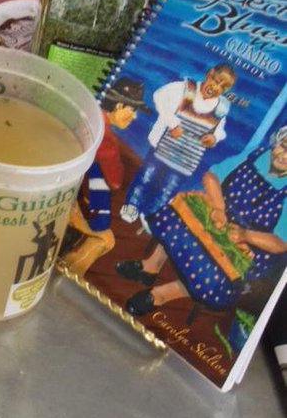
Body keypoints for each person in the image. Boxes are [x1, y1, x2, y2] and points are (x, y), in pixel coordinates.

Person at [118, 126, 287, 318]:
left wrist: (244, 235)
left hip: (249, 243)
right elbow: (212, 175)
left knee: (213, 277)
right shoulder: (256, 154)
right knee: (183, 213)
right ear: (277, 141)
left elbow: (280, 243)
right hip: (219, 209)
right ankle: (150, 267)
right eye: (284, 145)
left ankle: (161, 295)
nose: (284, 156)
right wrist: (218, 208)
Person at [120, 63, 236, 225]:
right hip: (161, 146)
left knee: (168, 188)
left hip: (187, 158)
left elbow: (220, 130)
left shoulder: (221, 108)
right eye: (215, 80)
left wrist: (214, 137)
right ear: (209, 73)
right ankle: (132, 204)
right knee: (146, 176)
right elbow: (158, 97)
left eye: (222, 87)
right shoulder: (185, 88)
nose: (215, 87)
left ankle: (151, 215)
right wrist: (172, 122)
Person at [60, 77, 147, 277]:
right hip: (66, 200)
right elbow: (115, 180)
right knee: (106, 239)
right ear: (118, 106)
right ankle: (65, 273)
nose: (133, 117)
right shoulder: (104, 137)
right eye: (132, 110)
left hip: (63, 188)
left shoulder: (87, 118)